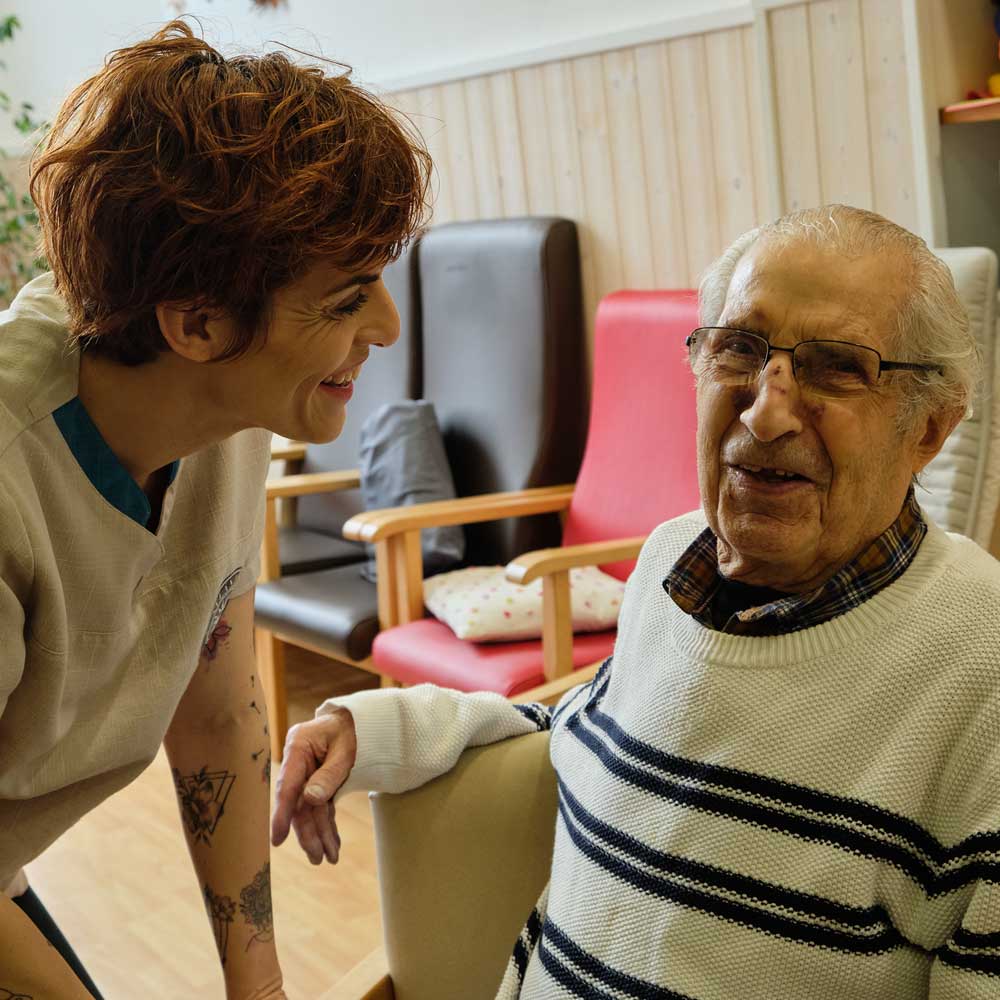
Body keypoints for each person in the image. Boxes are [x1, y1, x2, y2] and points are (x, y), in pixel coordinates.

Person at [273, 205, 1000, 999]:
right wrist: (376, 728)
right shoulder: (668, 565)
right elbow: (587, 728)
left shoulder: (979, 676)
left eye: (834, 366)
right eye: (740, 350)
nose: (764, 409)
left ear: (929, 428)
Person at [0, 19, 429, 998]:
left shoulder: (232, 407)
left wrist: (259, 982)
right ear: (196, 322)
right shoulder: (10, 477)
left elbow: (210, 698)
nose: (388, 326)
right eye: (347, 298)